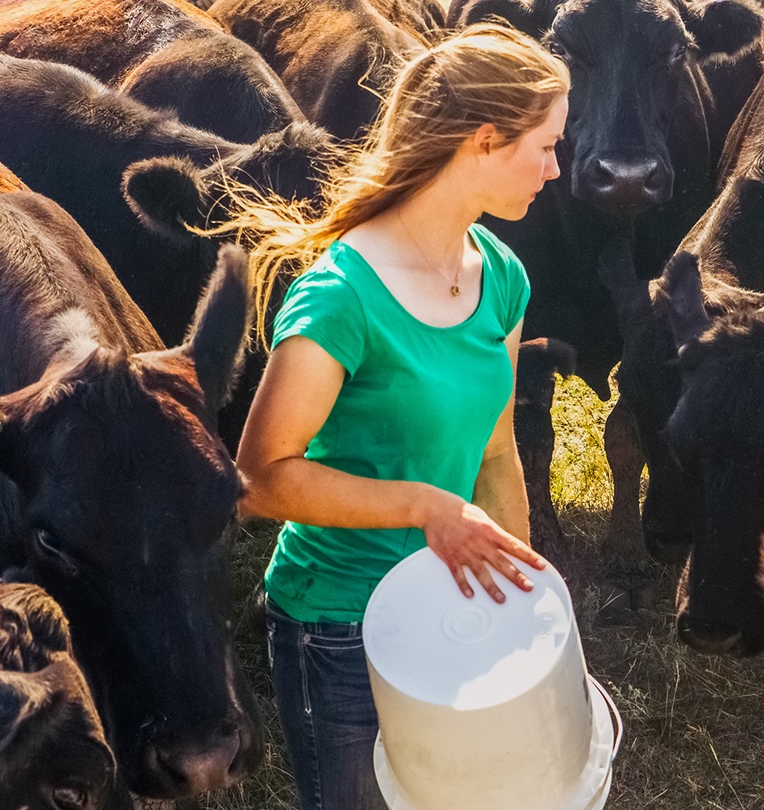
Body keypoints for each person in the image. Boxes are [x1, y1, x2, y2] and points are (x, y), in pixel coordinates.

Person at [224, 24, 570, 810]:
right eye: (546, 146)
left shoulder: (502, 277)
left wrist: (522, 600)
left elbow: (496, 454)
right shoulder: (341, 296)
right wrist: (425, 508)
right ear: (485, 140)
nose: (557, 168)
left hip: (451, 607)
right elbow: (258, 480)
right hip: (338, 627)